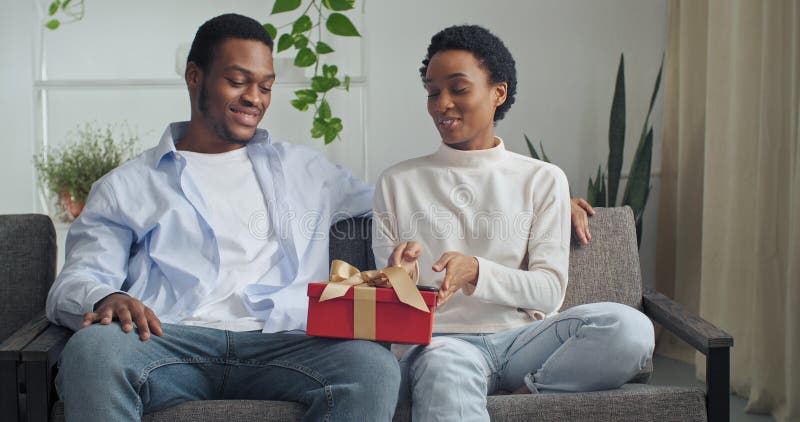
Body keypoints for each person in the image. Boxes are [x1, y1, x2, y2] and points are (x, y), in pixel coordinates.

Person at [46, 14, 401, 422]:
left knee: (371, 366)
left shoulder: (308, 170)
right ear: (194, 76)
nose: (256, 97)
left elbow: (397, 203)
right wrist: (107, 296)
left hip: (286, 343)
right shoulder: (127, 185)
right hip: (170, 341)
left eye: (266, 86)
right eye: (238, 81)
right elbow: (72, 284)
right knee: (93, 351)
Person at [372, 25, 654, 421]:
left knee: (629, 327)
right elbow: (390, 315)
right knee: (445, 366)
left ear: (497, 93)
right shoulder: (397, 182)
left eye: (458, 88)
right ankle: (521, 390)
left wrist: (476, 271)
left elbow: (548, 293)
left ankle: (532, 388)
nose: (442, 104)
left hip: (524, 341)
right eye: (433, 92)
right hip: (444, 344)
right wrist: (397, 278)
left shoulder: (543, 179)